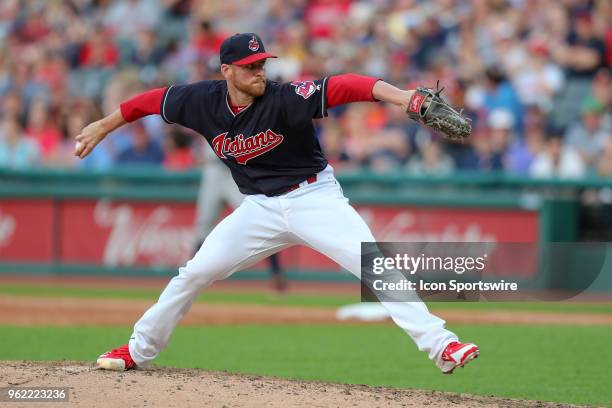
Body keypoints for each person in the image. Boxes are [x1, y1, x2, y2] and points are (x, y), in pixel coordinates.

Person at [75, 33, 479, 374]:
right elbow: (148, 101)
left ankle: (443, 346)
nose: (259, 72)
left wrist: (403, 96)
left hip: (313, 197)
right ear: (227, 71)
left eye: (262, 63)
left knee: (374, 265)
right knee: (194, 273)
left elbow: (349, 85)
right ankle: (137, 351)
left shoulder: (285, 97)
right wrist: (104, 125)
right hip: (259, 209)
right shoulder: (199, 101)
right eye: (249, 66)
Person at [194, 143, 286, 292]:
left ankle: (276, 274)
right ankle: (192, 278)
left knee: (258, 220)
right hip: (213, 168)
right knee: (203, 225)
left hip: (234, 169)